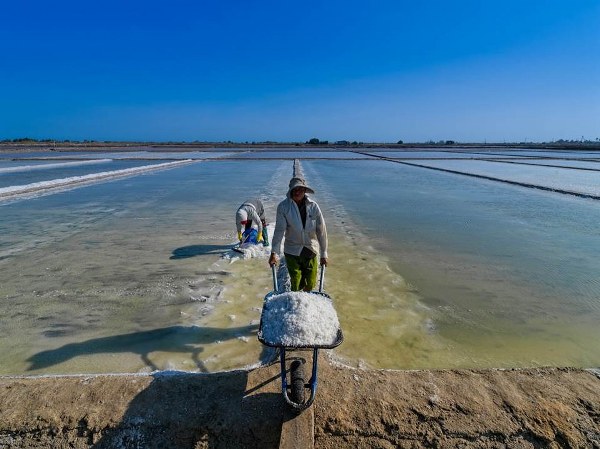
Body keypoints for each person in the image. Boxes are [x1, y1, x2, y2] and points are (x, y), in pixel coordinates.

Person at [269, 177, 328, 291]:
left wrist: (324, 254)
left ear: (304, 191)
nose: (297, 192)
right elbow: (279, 231)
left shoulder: (313, 206)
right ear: (290, 191)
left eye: (300, 189)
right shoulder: (283, 207)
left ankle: (306, 297)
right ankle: (295, 299)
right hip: (292, 250)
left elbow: (321, 231)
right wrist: (274, 253)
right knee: (296, 283)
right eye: (294, 190)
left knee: (311, 283)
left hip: (310, 249)